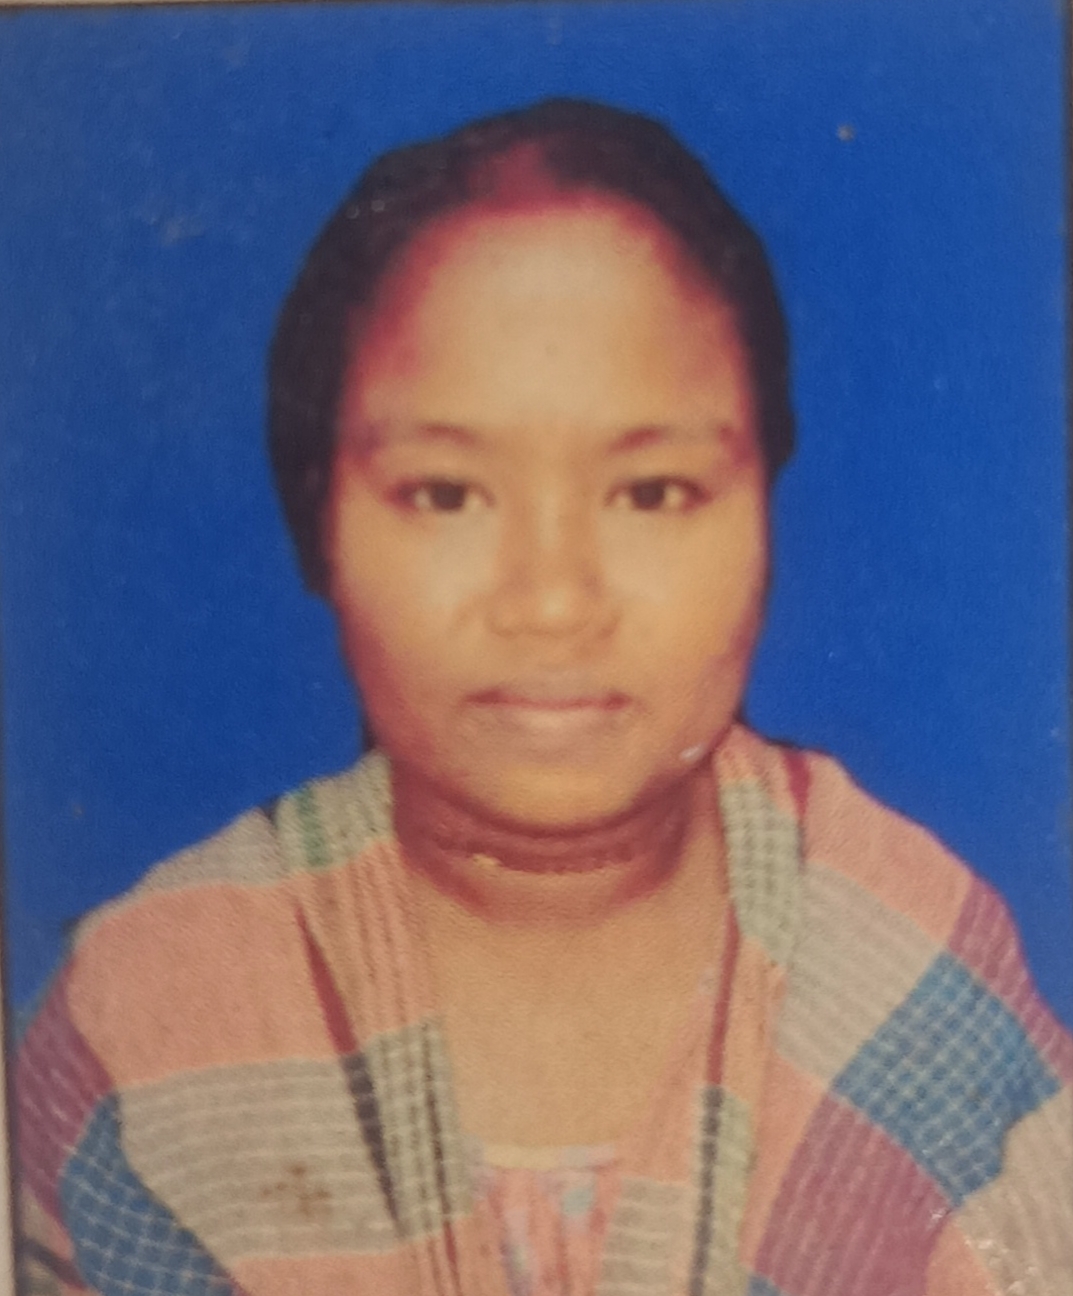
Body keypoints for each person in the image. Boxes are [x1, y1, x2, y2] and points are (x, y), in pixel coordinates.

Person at [15, 98, 1072, 1296]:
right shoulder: (151, 1014)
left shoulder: (900, 959)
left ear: (764, 513)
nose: (553, 600)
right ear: (319, 524)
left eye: (653, 493)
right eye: (446, 495)